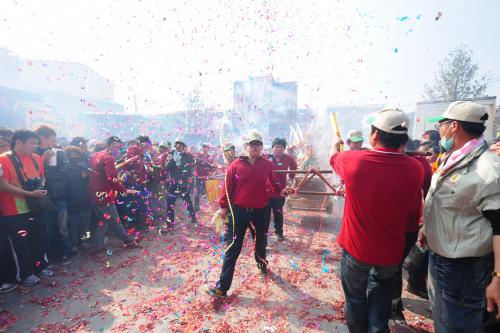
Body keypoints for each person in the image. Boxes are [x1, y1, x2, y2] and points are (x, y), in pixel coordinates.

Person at [330, 107, 424, 332]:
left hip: (357, 248)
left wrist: (335, 146)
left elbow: (334, 157)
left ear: (373, 135)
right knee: (381, 291)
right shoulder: (416, 168)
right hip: (390, 249)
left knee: (355, 297)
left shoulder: (354, 161)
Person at [420, 101, 500, 333]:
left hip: (464, 266)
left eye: (442, 125)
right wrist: (427, 228)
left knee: (456, 326)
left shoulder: (488, 168)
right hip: (441, 256)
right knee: (443, 320)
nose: (440, 131)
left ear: (453, 126)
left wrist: (497, 278)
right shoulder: (453, 158)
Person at [206, 131, 289, 298]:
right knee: (233, 247)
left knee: (260, 242)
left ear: (261, 147)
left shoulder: (267, 165)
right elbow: (226, 188)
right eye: (252, 144)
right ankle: (223, 287)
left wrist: (282, 190)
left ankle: (262, 264)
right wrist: (223, 207)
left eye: (258, 144)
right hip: (239, 212)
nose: (255, 147)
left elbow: (274, 182)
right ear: (246, 147)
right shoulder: (235, 165)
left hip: (261, 211)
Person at [0, 130, 53, 286]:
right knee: (20, 245)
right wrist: (29, 193)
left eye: (36, 143)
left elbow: (42, 177)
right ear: (18, 143)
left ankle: (40, 266)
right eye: (32, 143)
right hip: (14, 211)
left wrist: (40, 186)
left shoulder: (37, 158)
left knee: (40, 238)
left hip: (36, 207)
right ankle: (25, 275)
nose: (35, 146)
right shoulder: (3, 160)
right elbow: (2, 185)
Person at [88, 136, 140, 251]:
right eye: (114, 147)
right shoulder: (108, 157)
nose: (116, 150)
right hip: (104, 195)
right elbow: (110, 178)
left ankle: (97, 245)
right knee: (114, 221)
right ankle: (128, 241)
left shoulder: (96, 155)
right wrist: (123, 190)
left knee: (103, 220)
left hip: (94, 193)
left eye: (119, 147)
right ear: (107, 145)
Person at [34, 125, 72, 265]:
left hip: (59, 196)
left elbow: (65, 173)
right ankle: (48, 257)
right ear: (44, 137)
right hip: (41, 198)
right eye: (52, 138)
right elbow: (31, 174)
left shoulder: (59, 153)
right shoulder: (33, 154)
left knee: (62, 227)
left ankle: (65, 253)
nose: (54, 141)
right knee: (46, 230)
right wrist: (42, 160)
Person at [266, 137, 297, 241]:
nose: (278, 149)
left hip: (280, 192)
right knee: (265, 214)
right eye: (276, 147)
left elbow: (294, 166)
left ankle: (279, 232)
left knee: (278, 213)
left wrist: (290, 179)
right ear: (272, 148)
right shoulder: (266, 157)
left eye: (281, 147)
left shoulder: (288, 158)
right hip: (267, 192)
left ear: (284, 148)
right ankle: (263, 233)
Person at [164, 138, 197, 229]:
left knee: (188, 202)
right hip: (174, 185)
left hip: (184, 185)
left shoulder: (188, 156)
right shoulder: (171, 155)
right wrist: (173, 160)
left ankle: (193, 218)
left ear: (183, 147)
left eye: (181, 145)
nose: (179, 146)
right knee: (170, 204)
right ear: (175, 146)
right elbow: (166, 168)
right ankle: (170, 224)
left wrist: (210, 166)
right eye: (177, 144)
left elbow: (196, 161)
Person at [64, 146, 91, 254]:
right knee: (73, 225)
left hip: (86, 200)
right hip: (71, 202)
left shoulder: (85, 167)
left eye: (77, 155)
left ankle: (85, 242)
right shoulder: (65, 169)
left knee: (86, 225)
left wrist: (88, 176)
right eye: (72, 155)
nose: (74, 157)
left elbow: (94, 179)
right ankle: (74, 244)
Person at [194, 143, 216, 212]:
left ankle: (208, 208)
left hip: (206, 178)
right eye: (203, 147)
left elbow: (213, 167)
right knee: (196, 193)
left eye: (206, 147)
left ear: (208, 149)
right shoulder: (198, 156)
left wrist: (210, 173)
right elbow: (194, 163)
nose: (204, 148)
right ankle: (196, 208)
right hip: (197, 177)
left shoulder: (210, 157)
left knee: (206, 193)